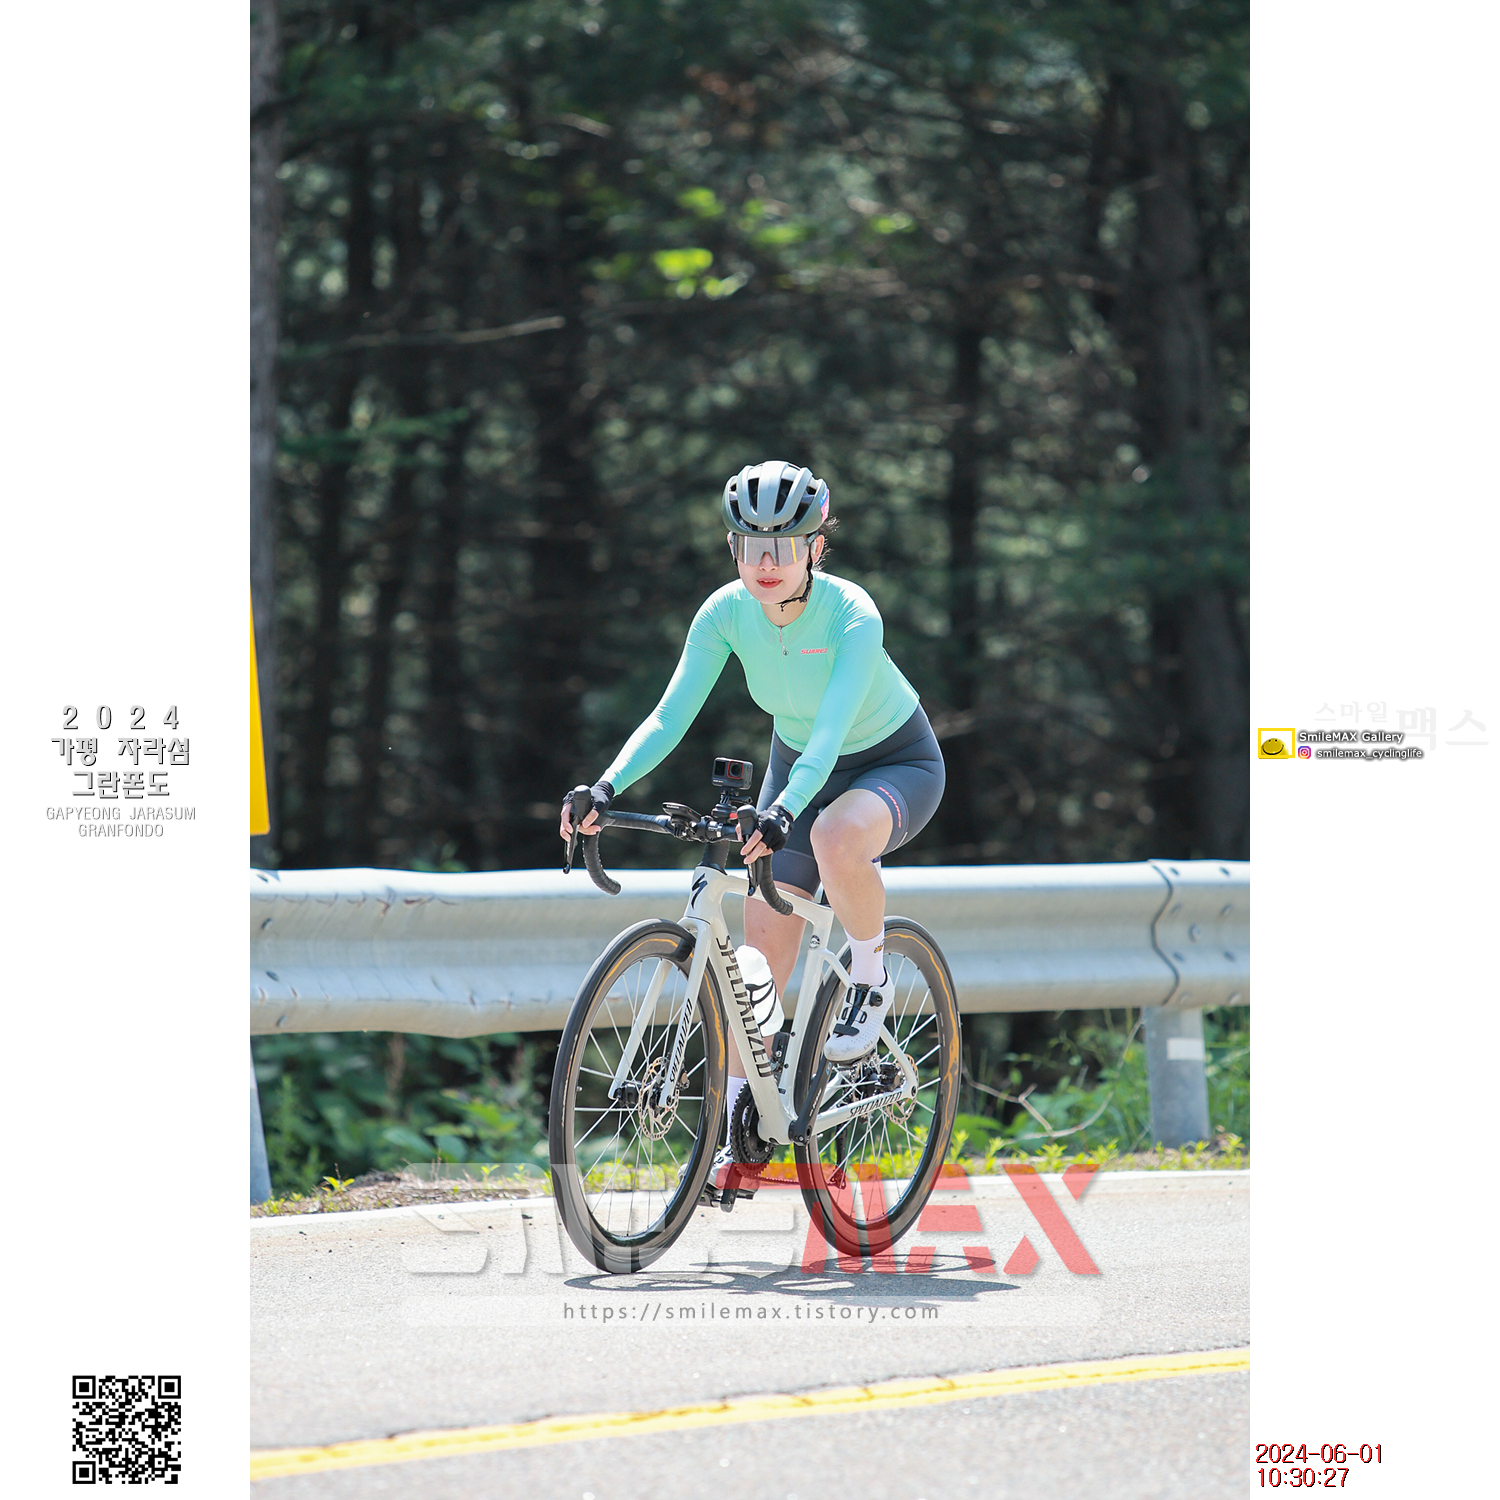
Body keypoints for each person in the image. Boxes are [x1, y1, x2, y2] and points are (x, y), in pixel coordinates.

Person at [559, 460, 945, 1173]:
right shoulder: (724, 612)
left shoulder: (853, 614)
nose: (766, 563)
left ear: (815, 549)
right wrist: (606, 786)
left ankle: (869, 977)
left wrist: (783, 811)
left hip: (893, 762)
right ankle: (738, 1134)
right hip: (796, 766)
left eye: (784, 546)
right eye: (751, 545)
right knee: (755, 970)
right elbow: (670, 716)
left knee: (833, 836)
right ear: (732, 546)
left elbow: (829, 733)